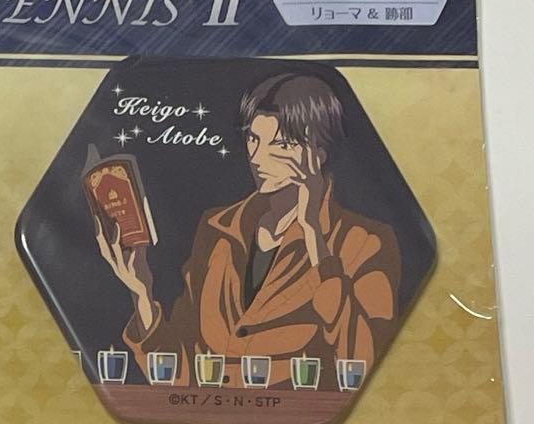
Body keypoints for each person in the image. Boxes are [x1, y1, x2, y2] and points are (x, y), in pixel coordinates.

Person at [95, 73, 400, 390]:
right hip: (207, 414)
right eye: (254, 139)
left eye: (281, 144)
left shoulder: (365, 242)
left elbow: (360, 364)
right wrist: (142, 293)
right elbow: (181, 373)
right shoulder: (218, 230)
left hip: (297, 417)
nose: (257, 158)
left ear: (318, 155)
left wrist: (314, 236)